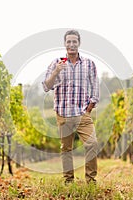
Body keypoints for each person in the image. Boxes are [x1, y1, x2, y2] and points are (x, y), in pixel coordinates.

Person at [42, 29, 99, 184]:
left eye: (74, 41)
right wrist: (56, 72)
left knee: (92, 144)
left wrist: (89, 108)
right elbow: (46, 86)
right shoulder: (56, 63)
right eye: (69, 41)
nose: (71, 44)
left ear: (79, 43)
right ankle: (68, 181)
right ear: (65, 44)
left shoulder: (88, 64)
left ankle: (91, 181)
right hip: (63, 113)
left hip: (82, 114)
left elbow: (95, 87)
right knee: (66, 149)